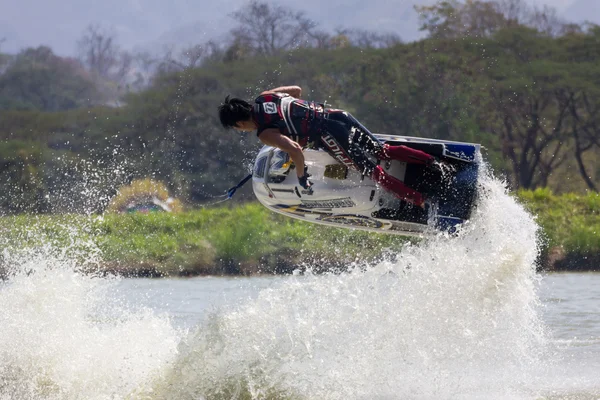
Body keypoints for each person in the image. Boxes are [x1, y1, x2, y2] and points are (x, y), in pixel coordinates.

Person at [218, 85, 437, 207]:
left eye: (237, 129)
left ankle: (420, 201)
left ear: (238, 123)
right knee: (380, 150)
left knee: (372, 172)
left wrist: (302, 176)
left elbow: (294, 150)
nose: (241, 131)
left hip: (330, 135)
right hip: (339, 116)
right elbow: (296, 90)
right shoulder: (265, 96)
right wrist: (296, 125)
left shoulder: (264, 133)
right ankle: (431, 161)